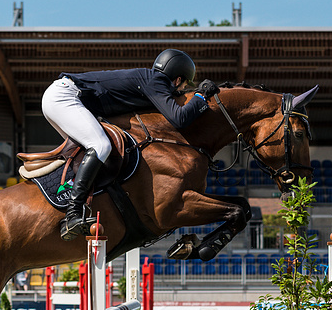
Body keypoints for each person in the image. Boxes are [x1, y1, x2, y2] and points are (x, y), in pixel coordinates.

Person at [42, 49, 221, 240]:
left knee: (94, 153)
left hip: (62, 97)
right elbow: (180, 118)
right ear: (177, 80)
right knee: (101, 146)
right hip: (64, 97)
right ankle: (72, 214)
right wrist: (201, 96)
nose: (180, 89)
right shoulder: (156, 81)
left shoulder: (149, 81)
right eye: (183, 84)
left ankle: (71, 201)